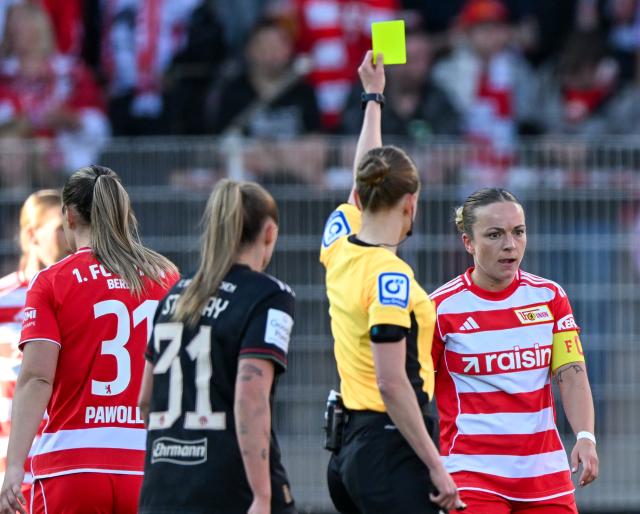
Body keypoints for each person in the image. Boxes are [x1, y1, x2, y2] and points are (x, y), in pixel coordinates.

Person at [320, 50, 464, 513]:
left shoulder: (338, 243)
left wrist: (373, 98)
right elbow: (391, 382)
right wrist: (436, 465)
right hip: (388, 446)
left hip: (347, 450)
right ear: (411, 204)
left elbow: (363, 177)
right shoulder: (390, 277)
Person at [0, 165, 178, 514]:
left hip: (72, 463)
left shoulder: (52, 281)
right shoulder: (166, 277)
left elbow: (37, 377)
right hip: (148, 463)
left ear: (68, 216)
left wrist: (14, 466)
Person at [430, 188, 599, 513]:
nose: (510, 244)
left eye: (518, 232)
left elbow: (572, 375)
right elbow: (413, 388)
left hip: (544, 474)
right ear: (468, 242)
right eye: (494, 234)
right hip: (471, 474)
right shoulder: (440, 308)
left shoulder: (550, 297)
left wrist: (586, 435)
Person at [138, 179, 297, 514]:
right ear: (269, 233)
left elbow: (145, 400)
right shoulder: (270, 295)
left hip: (162, 490)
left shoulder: (175, 296)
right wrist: (262, 495)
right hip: (230, 487)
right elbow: (249, 397)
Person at [0, 190, 70, 510]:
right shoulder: (4, 298)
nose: (68, 236)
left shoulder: (80, 294)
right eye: (59, 228)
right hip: (9, 454)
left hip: (60, 451)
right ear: (32, 234)